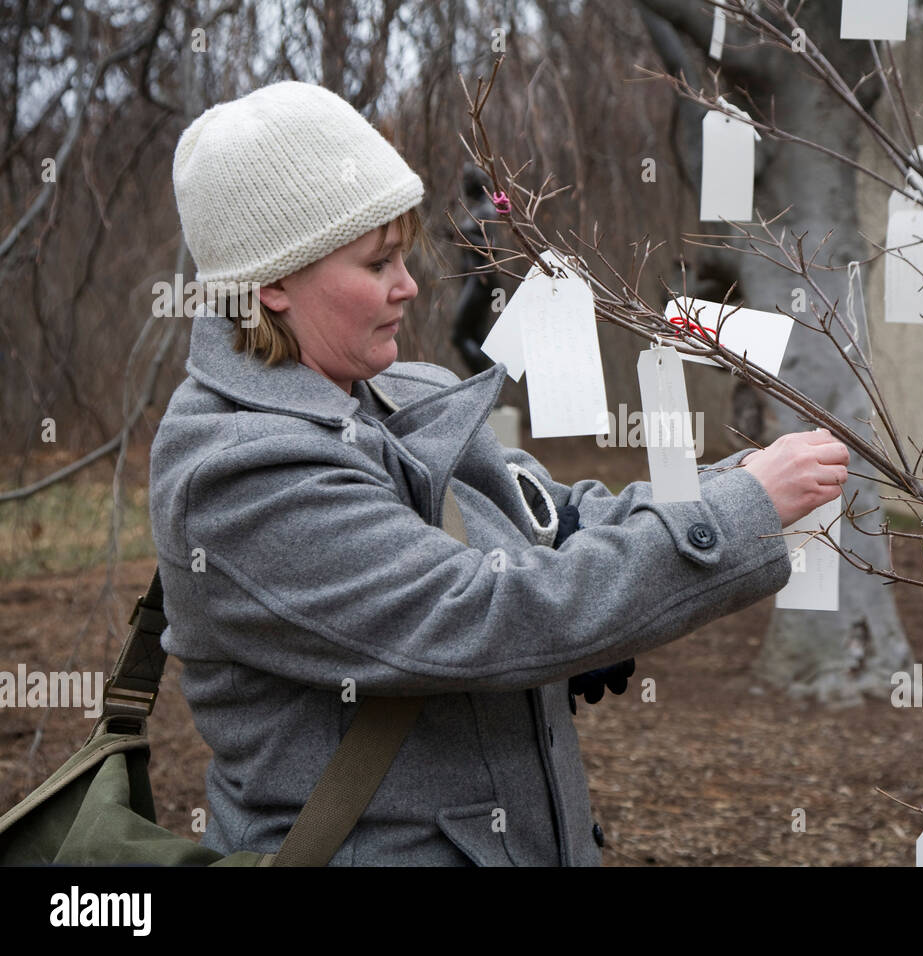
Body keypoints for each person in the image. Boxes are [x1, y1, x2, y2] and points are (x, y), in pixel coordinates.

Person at [153, 80, 850, 866]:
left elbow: (561, 519)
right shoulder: (241, 472)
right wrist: (736, 514)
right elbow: (479, 615)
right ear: (274, 283)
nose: (409, 285)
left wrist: (740, 477)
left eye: (403, 255)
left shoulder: (401, 393)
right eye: (377, 261)